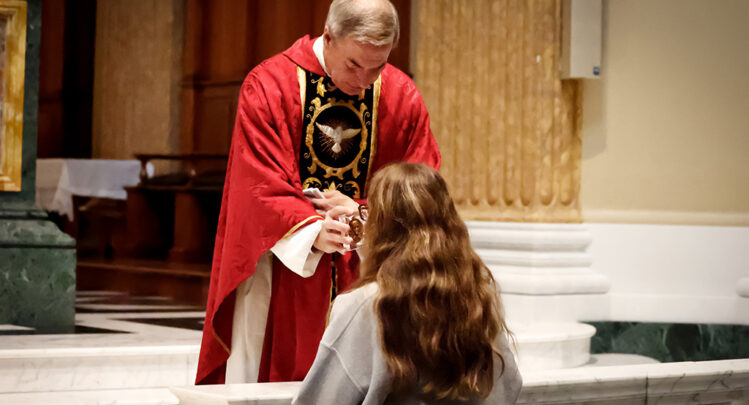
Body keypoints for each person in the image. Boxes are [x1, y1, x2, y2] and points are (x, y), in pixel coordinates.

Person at [196, 0, 441, 385]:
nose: (364, 80)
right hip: (285, 269)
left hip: (372, 271)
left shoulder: (401, 95)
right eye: (353, 65)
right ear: (328, 37)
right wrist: (310, 230)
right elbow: (256, 182)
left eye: (377, 66)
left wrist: (364, 215)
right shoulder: (270, 84)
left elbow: (422, 186)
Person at [293, 163, 522, 405]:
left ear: (381, 228)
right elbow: (509, 385)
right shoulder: (475, 297)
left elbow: (322, 399)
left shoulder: (364, 306)